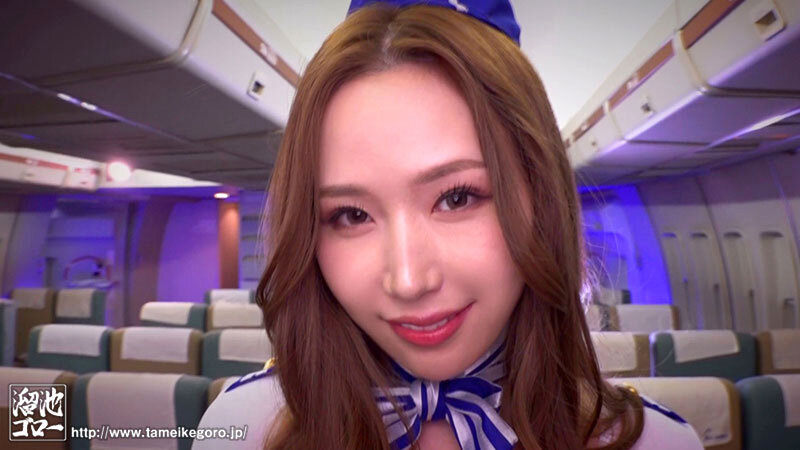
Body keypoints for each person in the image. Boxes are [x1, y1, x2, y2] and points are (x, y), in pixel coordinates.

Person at [194, 1, 704, 449]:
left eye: (457, 198)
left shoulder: (658, 443)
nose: (409, 281)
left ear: (542, 199)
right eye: (351, 215)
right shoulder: (241, 429)